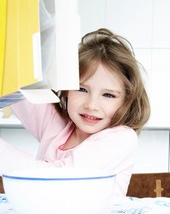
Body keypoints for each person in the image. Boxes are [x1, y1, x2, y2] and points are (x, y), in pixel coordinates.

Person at [0, 28, 150, 196]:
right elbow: (15, 84)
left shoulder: (121, 138)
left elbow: (56, 179)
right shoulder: (56, 125)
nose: (92, 105)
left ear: (126, 100)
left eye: (108, 95)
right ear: (66, 90)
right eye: (81, 89)